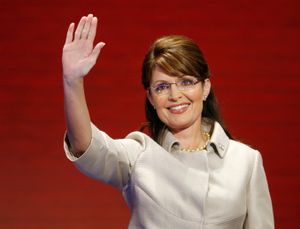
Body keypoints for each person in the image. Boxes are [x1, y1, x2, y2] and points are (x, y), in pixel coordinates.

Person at [62, 14, 274, 229]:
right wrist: (72, 81)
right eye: (162, 87)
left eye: (186, 82)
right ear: (151, 98)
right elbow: (85, 146)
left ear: (205, 88)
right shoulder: (139, 156)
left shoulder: (246, 161)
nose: (175, 95)